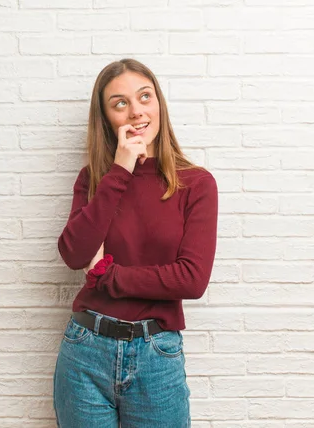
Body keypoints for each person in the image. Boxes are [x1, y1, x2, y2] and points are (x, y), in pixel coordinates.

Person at [53, 58, 218, 428]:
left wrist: (106, 275)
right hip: (85, 352)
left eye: (144, 96)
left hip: (156, 356)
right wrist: (120, 170)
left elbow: (191, 279)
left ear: (158, 102)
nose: (137, 111)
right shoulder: (94, 180)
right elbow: (74, 253)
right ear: (107, 117)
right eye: (120, 103)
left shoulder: (196, 184)